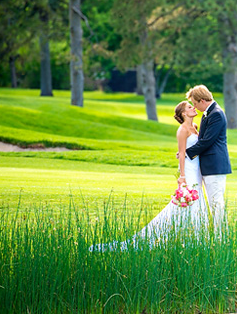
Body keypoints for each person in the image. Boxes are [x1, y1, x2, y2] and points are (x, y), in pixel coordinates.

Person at [89, 101, 207, 252]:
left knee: (197, 198)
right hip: (188, 169)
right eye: (190, 107)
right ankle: (182, 236)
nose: (194, 108)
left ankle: (195, 237)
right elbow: (182, 154)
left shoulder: (195, 127)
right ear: (184, 113)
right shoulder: (182, 130)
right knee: (189, 199)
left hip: (197, 168)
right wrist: (182, 176)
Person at [184, 85, 231, 231]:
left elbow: (207, 141)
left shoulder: (216, 114)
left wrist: (186, 153)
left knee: (216, 202)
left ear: (202, 100)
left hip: (215, 165)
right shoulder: (208, 113)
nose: (195, 107)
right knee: (213, 202)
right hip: (209, 165)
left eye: (195, 103)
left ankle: (221, 237)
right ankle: (218, 234)